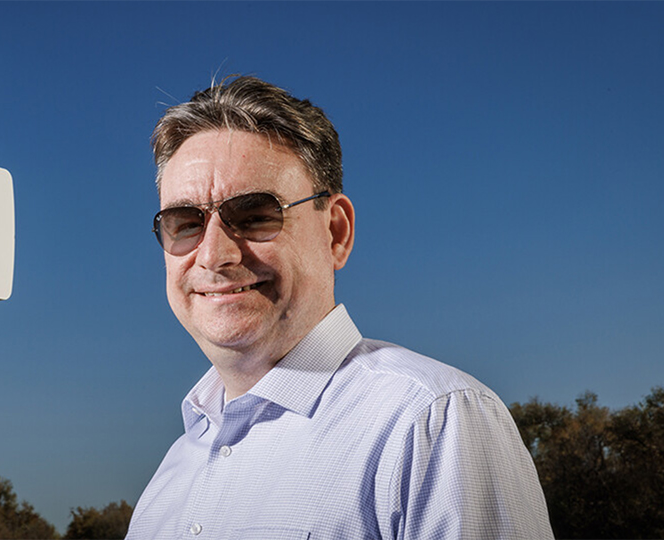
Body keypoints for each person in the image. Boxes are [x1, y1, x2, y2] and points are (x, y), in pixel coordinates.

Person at [126, 76, 553, 539]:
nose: (214, 254)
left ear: (335, 232)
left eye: (254, 216)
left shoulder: (432, 423)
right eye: (185, 222)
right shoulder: (170, 479)